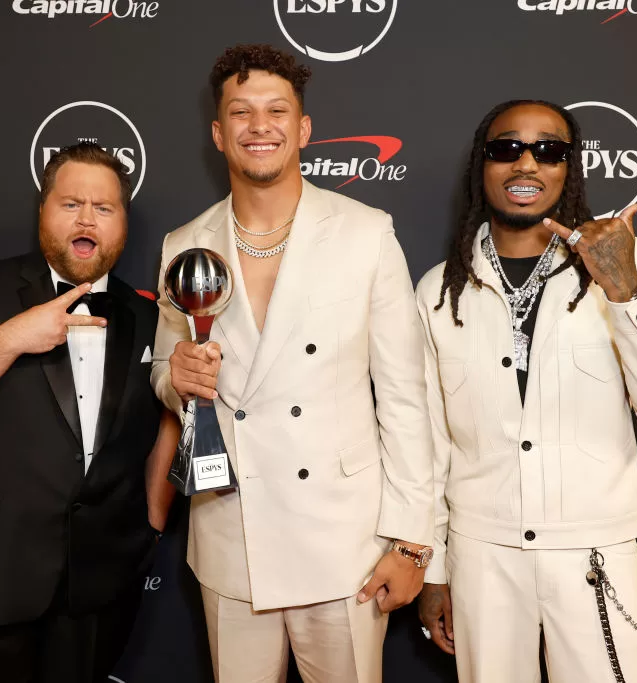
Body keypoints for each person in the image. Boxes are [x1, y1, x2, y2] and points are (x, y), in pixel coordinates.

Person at [150, 44, 435, 683]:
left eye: (277, 110)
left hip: (344, 546)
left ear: (302, 128)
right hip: (232, 536)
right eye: (241, 113)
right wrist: (177, 380)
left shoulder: (366, 232)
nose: (260, 126)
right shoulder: (184, 245)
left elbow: (406, 398)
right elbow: (166, 372)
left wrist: (412, 541)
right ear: (219, 133)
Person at [415, 100, 637, 682]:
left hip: (593, 551)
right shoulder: (438, 291)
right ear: (482, 163)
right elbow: (427, 446)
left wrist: (625, 289)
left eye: (548, 150)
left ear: (569, 168)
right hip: (482, 555)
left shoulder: (627, 263)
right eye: (507, 148)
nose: (527, 164)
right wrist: (435, 569)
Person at [0, 142, 178, 683]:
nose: (87, 218)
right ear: (43, 212)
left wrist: (153, 519)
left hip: (98, 586)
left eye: (104, 207)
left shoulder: (147, 315)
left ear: (122, 223)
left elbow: (163, 417)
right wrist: (11, 339)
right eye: (71, 204)